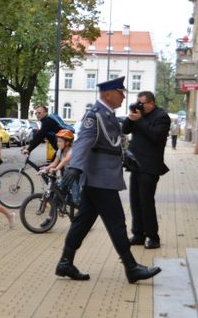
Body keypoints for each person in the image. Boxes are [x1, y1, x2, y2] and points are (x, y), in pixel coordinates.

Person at [55, 76, 161, 284]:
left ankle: (65, 263)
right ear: (108, 94)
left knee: (83, 222)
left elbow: (109, 143)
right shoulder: (95, 115)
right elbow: (84, 141)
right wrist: (75, 167)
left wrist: (124, 155)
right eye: (120, 93)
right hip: (100, 178)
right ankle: (131, 268)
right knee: (117, 223)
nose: (123, 96)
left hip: (102, 177)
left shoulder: (107, 114)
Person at [122, 91, 170, 250]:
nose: (139, 106)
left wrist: (141, 120)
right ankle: (138, 234)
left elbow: (156, 136)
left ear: (151, 103)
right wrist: (131, 117)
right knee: (135, 200)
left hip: (150, 166)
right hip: (135, 164)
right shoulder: (138, 114)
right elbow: (125, 130)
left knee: (146, 201)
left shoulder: (162, 117)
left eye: (142, 103)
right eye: (138, 102)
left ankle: (153, 237)